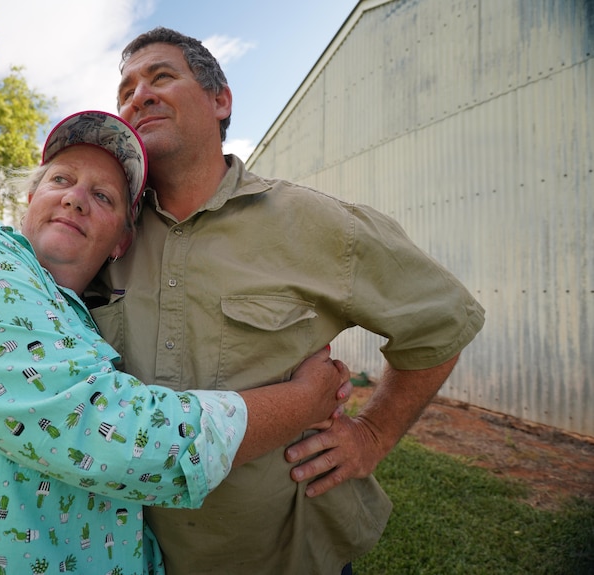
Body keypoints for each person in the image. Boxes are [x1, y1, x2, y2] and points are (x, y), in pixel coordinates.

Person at [0, 110, 353, 575]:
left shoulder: (82, 322)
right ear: (30, 200)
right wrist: (305, 401)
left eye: (102, 196)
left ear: (123, 238)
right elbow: (113, 436)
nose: (75, 198)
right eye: (61, 179)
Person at [85, 27, 487, 574]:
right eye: (126, 91)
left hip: (289, 555)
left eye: (161, 76)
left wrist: (372, 434)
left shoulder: (317, 223)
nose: (139, 96)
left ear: (220, 99)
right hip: (135, 556)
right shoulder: (103, 237)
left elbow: (440, 323)